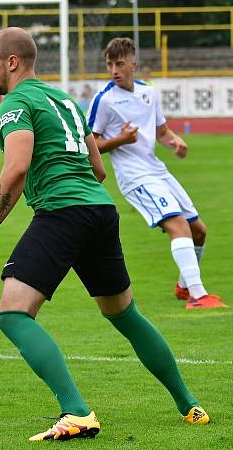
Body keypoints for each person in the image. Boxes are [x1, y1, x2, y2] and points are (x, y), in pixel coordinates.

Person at [0, 27, 210, 441]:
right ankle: (189, 404)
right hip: (99, 208)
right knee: (124, 314)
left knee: (13, 314)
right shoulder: (64, 99)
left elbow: (16, 168)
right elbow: (98, 170)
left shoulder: (15, 103)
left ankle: (76, 411)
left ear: (11, 62)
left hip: (62, 213)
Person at [89, 37, 225, 309]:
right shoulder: (104, 100)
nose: (114, 70)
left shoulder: (148, 93)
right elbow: (89, 144)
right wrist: (120, 140)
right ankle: (198, 297)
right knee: (178, 226)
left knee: (198, 230)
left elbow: (161, 131)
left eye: (120, 64)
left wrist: (175, 141)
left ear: (133, 65)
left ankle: (184, 287)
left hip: (157, 170)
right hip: (134, 177)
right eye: (109, 64)